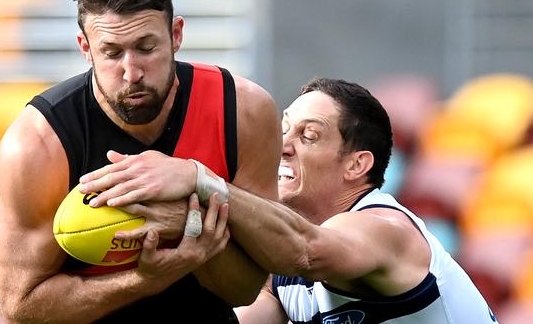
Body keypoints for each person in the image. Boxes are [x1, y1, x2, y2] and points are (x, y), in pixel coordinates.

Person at [0, 0, 282, 323]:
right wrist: (145, 280)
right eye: (112, 52)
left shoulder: (241, 110)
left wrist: (188, 224)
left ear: (176, 34)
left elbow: (245, 288)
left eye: (147, 48)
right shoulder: (37, 142)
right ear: (85, 47)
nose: (132, 73)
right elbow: (22, 305)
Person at [82, 78, 498, 323]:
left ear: (357, 165)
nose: (282, 146)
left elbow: (306, 250)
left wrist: (198, 179)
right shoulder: (278, 271)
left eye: (309, 135)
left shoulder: (384, 228)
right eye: (284, 129)